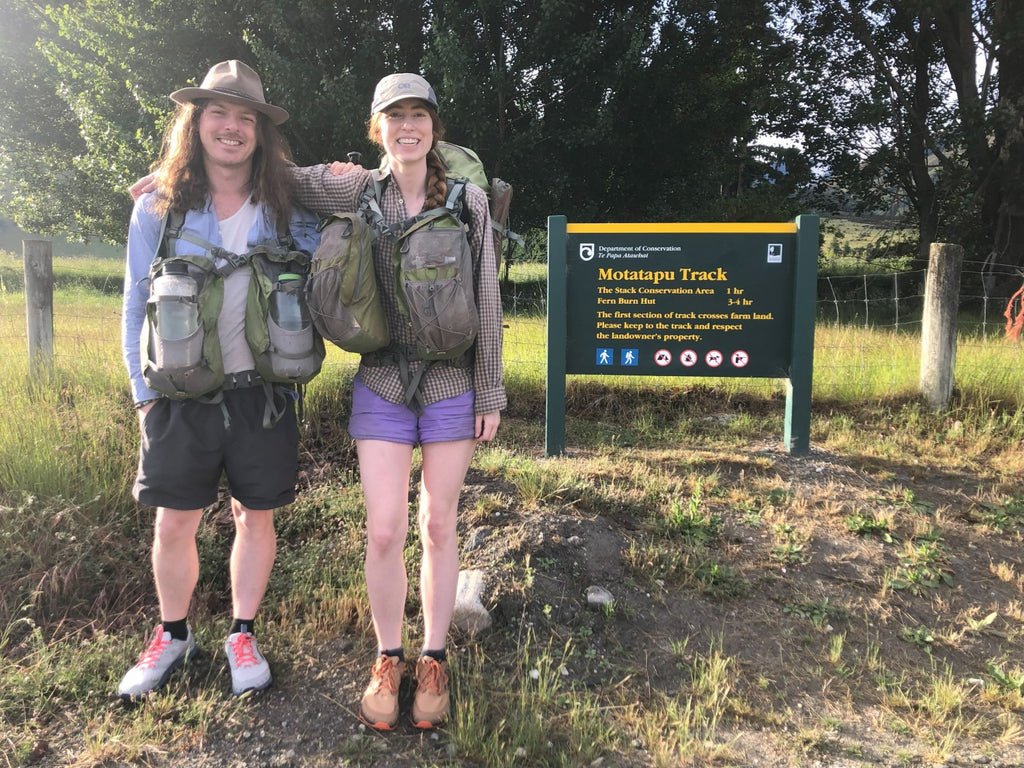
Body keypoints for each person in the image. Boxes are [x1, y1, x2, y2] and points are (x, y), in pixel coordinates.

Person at [289, 73, 506, 729]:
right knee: (384, 529)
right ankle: (390, 656)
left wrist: (490, 388)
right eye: (394, 116)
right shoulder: (355, 189)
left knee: (439, 524)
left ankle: (433, 658)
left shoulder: (466, 202)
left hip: (449, 387)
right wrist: (179, 175)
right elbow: (279, 178)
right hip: (381, 384)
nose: (407, 126)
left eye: (418, 115)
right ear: (376, 127)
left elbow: (489, 301)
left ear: (433, 126)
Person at [118, 60, 320, 700]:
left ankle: (241, 633)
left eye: (246, 118)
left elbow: (360, 216)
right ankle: (173, 635)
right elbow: (132, 303)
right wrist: (142, 396)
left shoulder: (292, 206)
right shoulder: (159, 206)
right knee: (173, 523)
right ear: (195, 122)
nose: (232, 127)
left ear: (261, 132)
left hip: (264, 395)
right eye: (218, 114)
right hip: (179, 394)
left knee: (254, 517)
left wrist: (346, 176)